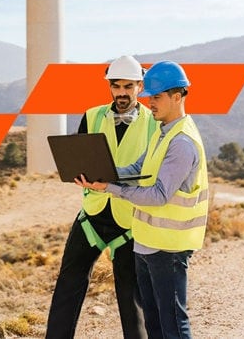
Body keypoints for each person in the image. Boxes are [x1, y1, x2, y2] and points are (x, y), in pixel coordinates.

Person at [74, 61, 209, 339]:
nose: (151, 104)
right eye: (150, 97)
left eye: (157, 97)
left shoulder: (181, 142)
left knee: (172, 322)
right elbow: (138, 168)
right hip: (147, 243)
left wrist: (112, 189)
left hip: (169, 248)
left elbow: (159, 195)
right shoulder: (163, 131)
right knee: (154, 323)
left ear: (177, 95)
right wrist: (103, 178)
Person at [46, 55, 156, 339]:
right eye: (116, 86)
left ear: (140, 86)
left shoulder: (153, 123)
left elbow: (152, 170)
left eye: (128, 86)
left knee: (131, 297)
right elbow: (80, 155)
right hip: (92, 214)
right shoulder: (92, 115)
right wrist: (78, 174)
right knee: (68, 285)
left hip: (129, 220)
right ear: (109, 86)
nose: (121, 92)